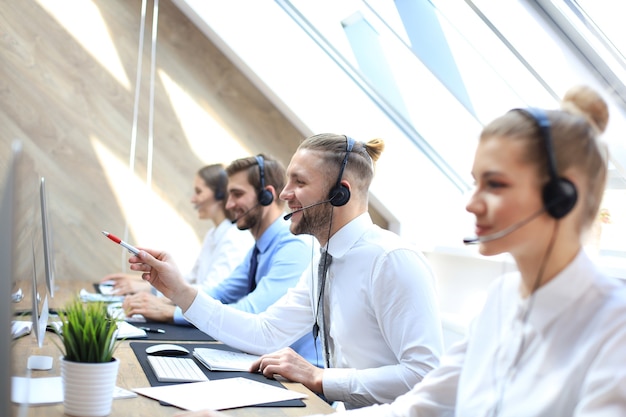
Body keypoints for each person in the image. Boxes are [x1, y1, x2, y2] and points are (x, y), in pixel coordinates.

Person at [129, 134, 444, 410]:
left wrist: (320, 377)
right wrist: (180, 293)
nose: (283, 193)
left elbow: (424, 374)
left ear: (340, 194)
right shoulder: (323, 260)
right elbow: (266, 332)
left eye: (300, 182)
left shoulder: (392, 260)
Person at [124, 155, 321, 365]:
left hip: (300, 378)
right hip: (270, 361)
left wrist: (173, 313)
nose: (229, 204)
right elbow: (221, 292)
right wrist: (173, 294)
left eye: (237, 194)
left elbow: (253, 311)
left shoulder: (294, 246)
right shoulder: (260, 248)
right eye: (228, 196)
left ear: (267, 195)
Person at [99, 164, 253, 313]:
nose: (193, 199)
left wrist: (152, 290)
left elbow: (213, 294)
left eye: (199, 192)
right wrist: (143, 280)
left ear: (220, 195)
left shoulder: (235, 238)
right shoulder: (214, 233)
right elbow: (191, 279)